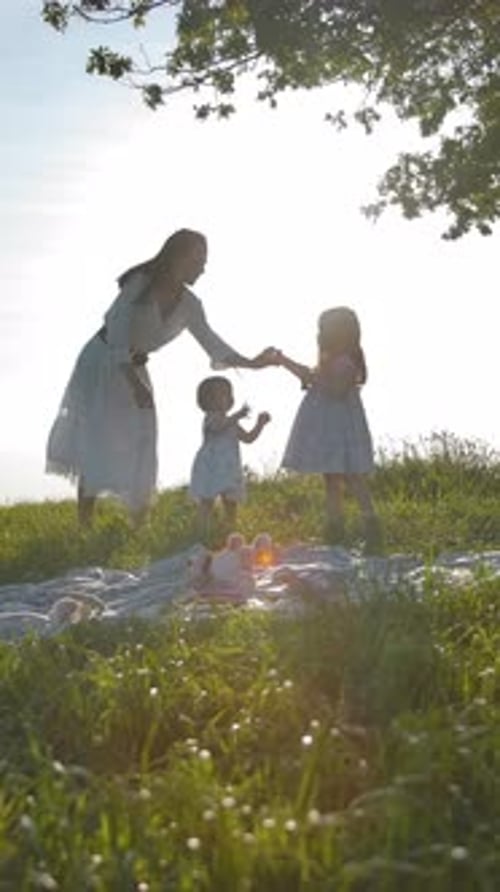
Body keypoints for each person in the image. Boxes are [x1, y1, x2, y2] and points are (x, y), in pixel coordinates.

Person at [46, 229, 276, 526]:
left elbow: (211, 342)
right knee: (98, 436)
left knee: (144, 435)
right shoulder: (139, 284)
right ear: (177, 257)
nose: (203, 268)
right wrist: (133, 382)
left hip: (136, 367)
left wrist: (255, 363)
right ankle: (84, 524)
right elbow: (117, 336)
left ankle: (138, 520)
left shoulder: (190, 305)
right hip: (103, 362)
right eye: (198, 260)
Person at [273, 306, 383, 552]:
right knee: (331, 479)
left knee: (354, 477)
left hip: (341, 431)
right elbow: (310, 375)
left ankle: (371, 525)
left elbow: (336, 390)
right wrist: (284, 362)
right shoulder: (330, 361)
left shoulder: (345, 363)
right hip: (330, 430)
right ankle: (335, 527)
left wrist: (315, 378)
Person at [189, 375, 271, 541]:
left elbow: (248, 438)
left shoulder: (231, 422)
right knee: (207, 500)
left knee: (230, 501)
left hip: (229, 466)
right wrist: (236, 416)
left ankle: (230, 532)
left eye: (227, 394)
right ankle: (202, 533)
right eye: (219, 395)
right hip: (211, 465)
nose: (224, 399)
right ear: (207, 401)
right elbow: (218, 427)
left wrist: (260, 424)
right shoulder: (210, 418)